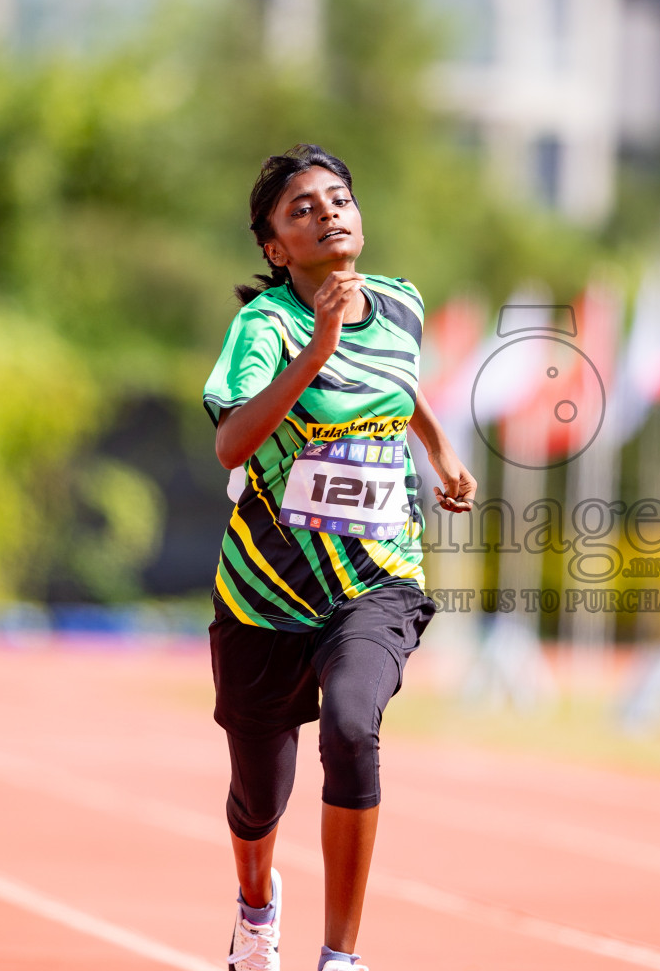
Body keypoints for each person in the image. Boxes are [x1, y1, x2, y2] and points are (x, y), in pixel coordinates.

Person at [203, 144, 476, 971]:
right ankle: (256, 905)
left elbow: (403, 383)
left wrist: (439, 451)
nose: (326, 213)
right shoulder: (265, 327)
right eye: (301, 209)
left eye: (337, 199)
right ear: (275, 249)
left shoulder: (401, 305)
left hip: (376, 576)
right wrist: (314, 351)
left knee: (354, 727)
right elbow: (231, 443)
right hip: (267, 591)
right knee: (259, 800)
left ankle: (340, 957)